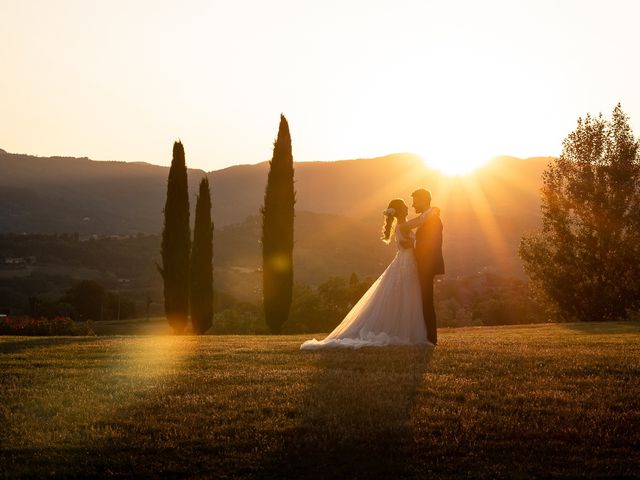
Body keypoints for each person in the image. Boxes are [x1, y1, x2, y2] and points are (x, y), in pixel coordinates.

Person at [300, 198, 439, 350]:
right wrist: (433, 211)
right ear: (400, 211)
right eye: (405, 206)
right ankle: (405, 331)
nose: (408, 207)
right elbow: (420, 220)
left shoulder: (401, 225)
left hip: (406, 262)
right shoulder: (403, 226)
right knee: (406, 295)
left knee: (405, 296)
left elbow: (417, 222)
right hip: (406, 263)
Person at [399, 189, 444, 345]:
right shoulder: (426, 218)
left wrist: (413, 244)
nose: (413, 204)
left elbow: (433, 244)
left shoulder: (434, 220)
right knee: (423, 300)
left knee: (426, 301)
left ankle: (431, 338)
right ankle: (426, 336)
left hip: (428, 266)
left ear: (424, 200)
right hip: (423, 265)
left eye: (415, 201)